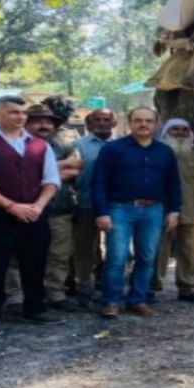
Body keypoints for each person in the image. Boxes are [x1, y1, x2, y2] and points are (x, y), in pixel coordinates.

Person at [0, 95, 64, 336]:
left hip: (35, 214)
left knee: (35, 262)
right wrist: (11, 206)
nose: (20, 117)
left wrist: (38, 206)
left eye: (23, 113)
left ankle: (34, 308)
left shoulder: (40, 145)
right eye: (13, 112)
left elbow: (51, 180)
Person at [93, 107, 182, 318]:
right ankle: (112, 301)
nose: (143, 124)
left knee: (147, 257)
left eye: (148, 121)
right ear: (130, 122)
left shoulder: (165, 151)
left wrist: (174, 211)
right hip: (120, 209)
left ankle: (137, 300)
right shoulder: (113, 149)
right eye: (138, 120)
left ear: (156, 123)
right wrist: (102, 212)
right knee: (117, 257)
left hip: (153, 210)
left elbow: (174, 185)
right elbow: (98, 182)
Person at [25, 104, 83, 311]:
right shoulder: (17, 143)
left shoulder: (62, 144)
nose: (44, 125)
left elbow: (76, 168)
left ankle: (56, 293)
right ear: (26, 122)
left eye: (49, 121)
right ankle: (16, 297)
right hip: (26, 209)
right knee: (20, 256)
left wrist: (43, 174)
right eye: (38, 121)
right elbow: (21, 173)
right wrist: (59, 168)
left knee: (59, 254)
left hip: (60, 207)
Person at [150, 118, 194, 304]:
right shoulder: (154, 152)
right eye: (175, 129)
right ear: (166, 132)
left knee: (189, 250)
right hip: (159, 210)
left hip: (190, 209)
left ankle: (188, 288)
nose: (180, 133)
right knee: (156, 249)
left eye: (184, 129)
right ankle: (150, 288)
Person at [72, 109, 117, 308]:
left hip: (116, 205)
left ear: (114, 123)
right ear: (88, 125)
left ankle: (110, 286)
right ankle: (84, 289)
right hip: (86, 204)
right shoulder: (78, 146)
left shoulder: (123, 144)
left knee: (117, 248)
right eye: (97, 120)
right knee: (84, 249)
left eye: (107, 120)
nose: (102, 123)